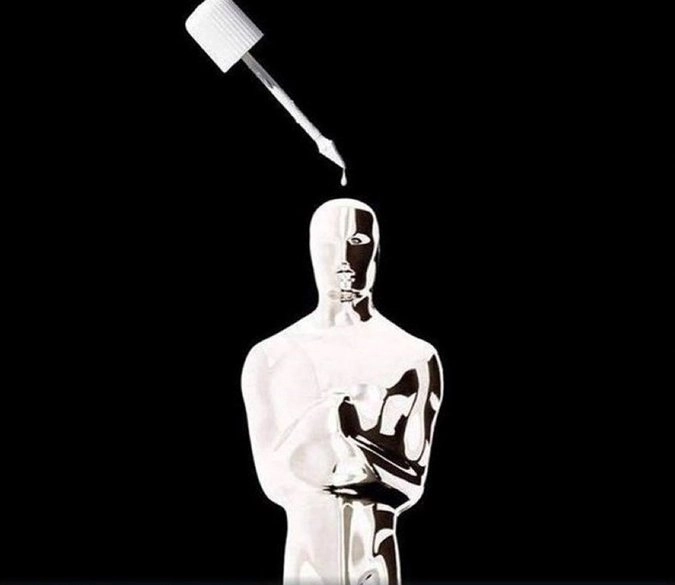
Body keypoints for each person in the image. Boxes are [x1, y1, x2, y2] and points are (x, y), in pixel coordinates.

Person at [241, 198, 443, 585]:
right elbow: (273, 478)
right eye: (329, 244)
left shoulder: (413, 356)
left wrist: (336, 442)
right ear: (311, 250)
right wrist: (332, 420)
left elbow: (412, 479)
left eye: (357, 241)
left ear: (377, 250)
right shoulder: (271, 357)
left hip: (375, 559)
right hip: (307, 563)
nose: (344, 261)